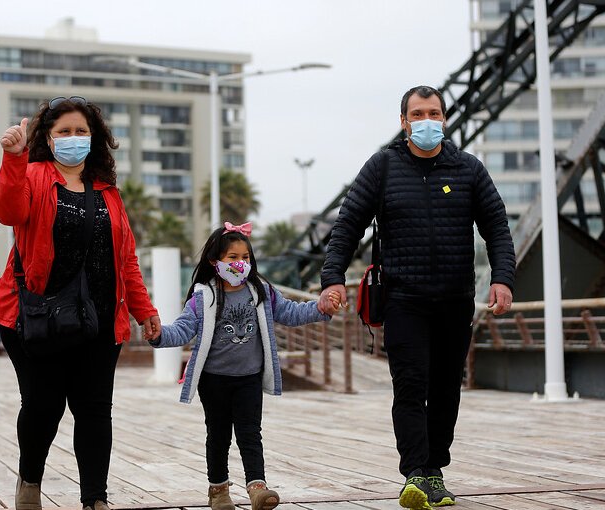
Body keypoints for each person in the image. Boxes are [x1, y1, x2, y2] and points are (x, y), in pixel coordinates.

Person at [317, 85, 516, 509]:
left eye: (435, 113)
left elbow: (497, 227)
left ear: (444, 119)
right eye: (419, 114)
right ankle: (415, 473)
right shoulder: (383, 167)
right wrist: (332, 278)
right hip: (404, 298)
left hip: (454, 298)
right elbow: (347, 225)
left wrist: (503, 279)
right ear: (404, 121)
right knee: (410, 385)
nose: (428, 121)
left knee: (446, 388)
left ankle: (435, 471)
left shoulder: (468, 170)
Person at [0, 95, 161, 510]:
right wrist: (13, 157)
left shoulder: (108, 192)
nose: (73, 138)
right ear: (48, 137)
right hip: (35, 315)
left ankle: (94, 499)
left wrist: (144, 310)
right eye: (63, 131)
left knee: (95, 410)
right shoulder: (33, 175)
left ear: (94, 137)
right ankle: (30, 482)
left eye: (81, 131)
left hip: (98, 320)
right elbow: (7, 211)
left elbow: (127, 259)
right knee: (44, 405)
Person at [149, 223, 341, 510]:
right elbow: (183, 329)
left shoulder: (261, 292)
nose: (240, 263)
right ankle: (219, 490)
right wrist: (159, 335)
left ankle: (257, 487)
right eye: (232, 257)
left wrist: (320, 307)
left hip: (249, 378)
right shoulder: (204, 297)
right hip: (213, 381)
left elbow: (290, 312)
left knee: (250, 433)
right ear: (215, 262)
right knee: (219, 435)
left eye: (246, 257)